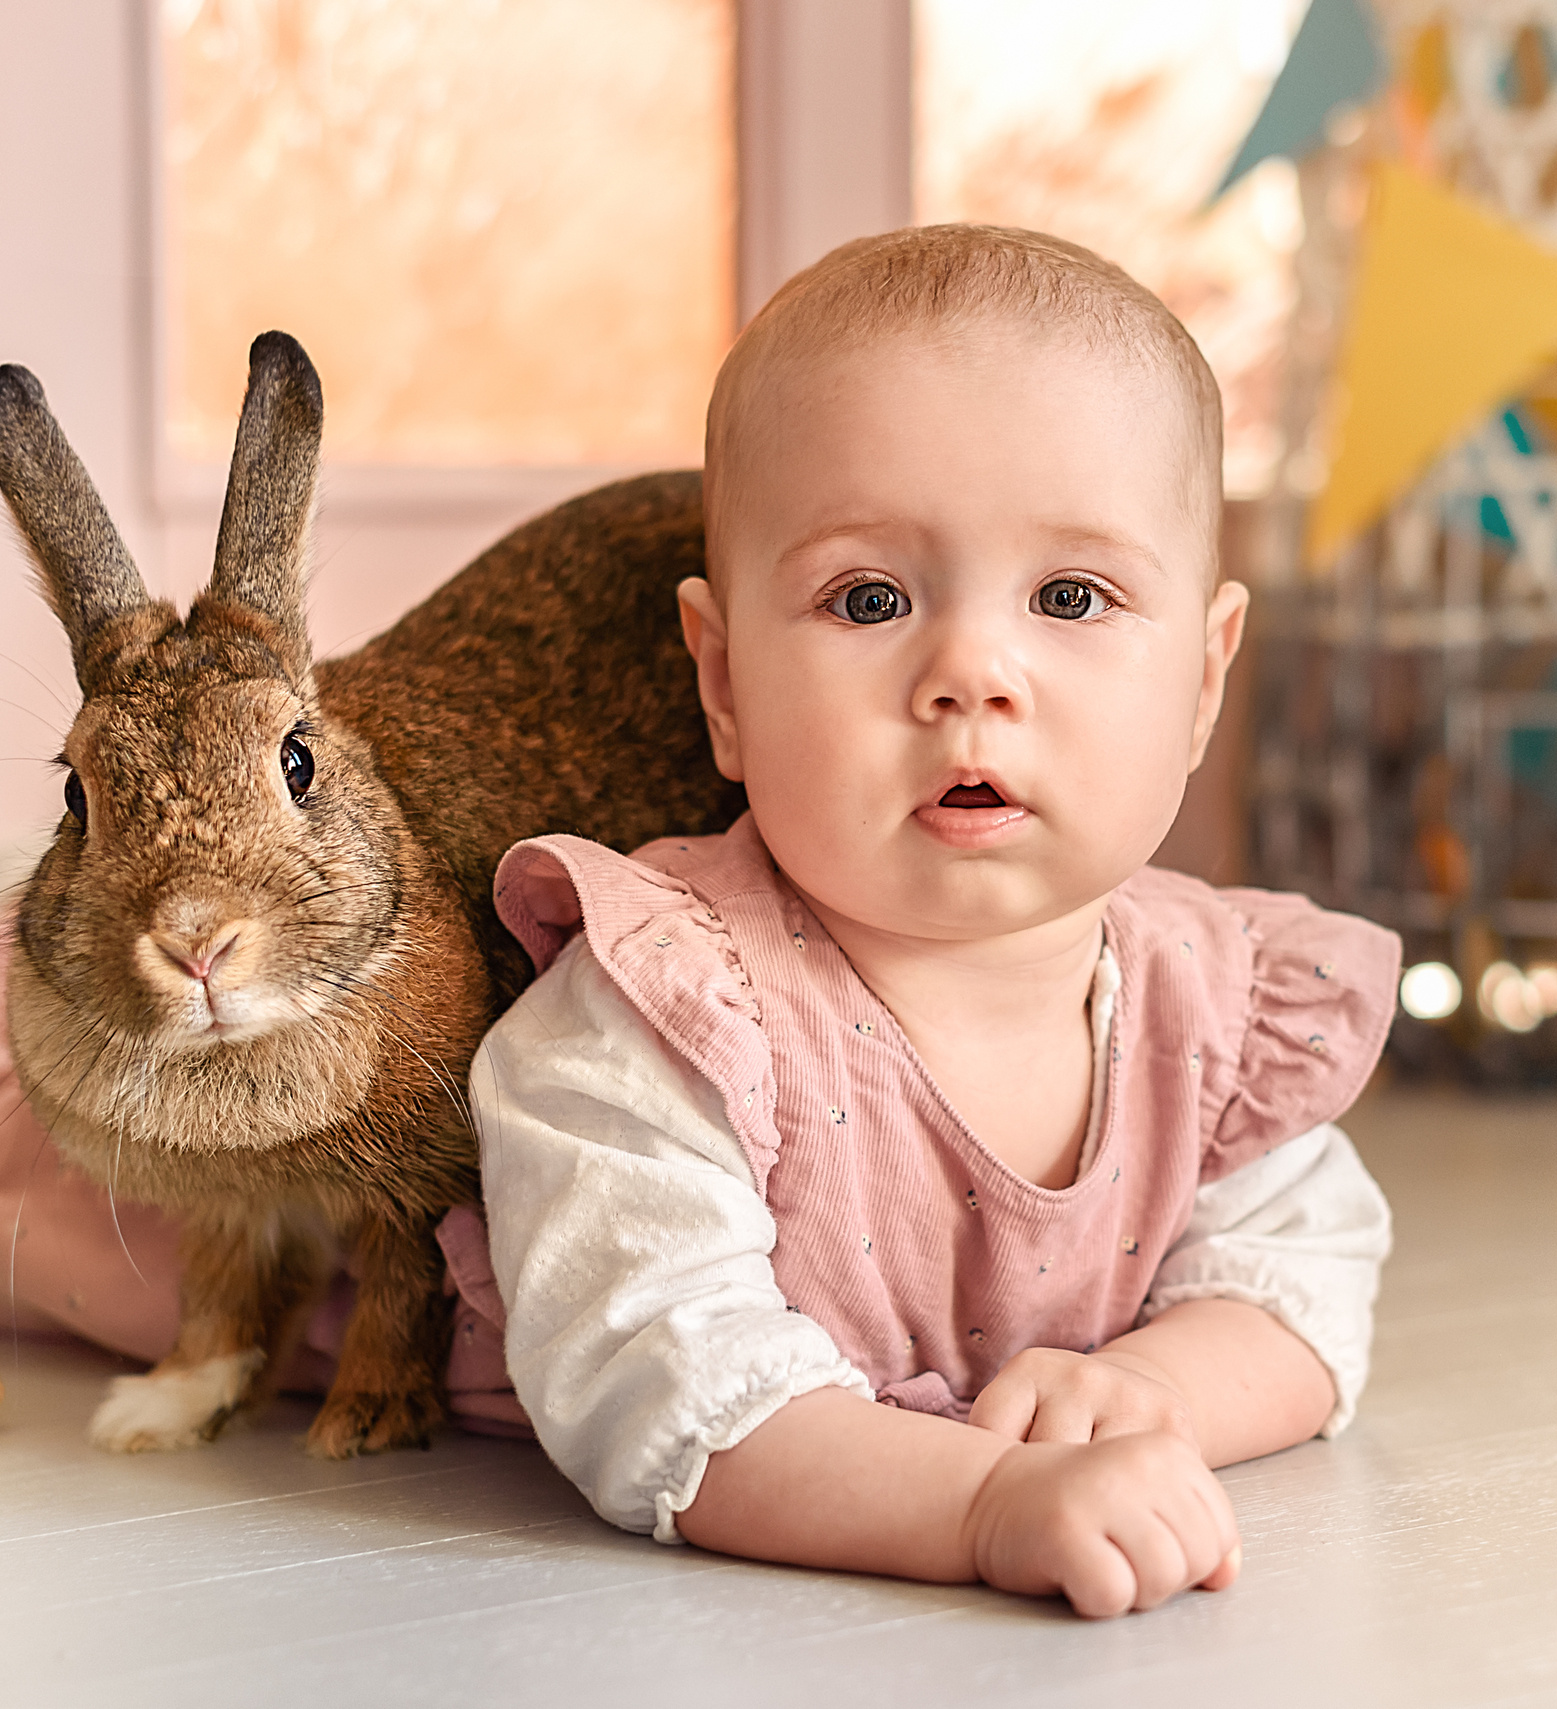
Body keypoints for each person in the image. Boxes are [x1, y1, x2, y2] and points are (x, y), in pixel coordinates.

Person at [469, 224, 1400, 1620]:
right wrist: (980, 1503)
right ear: (723, 680)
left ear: (1206, 678)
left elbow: (1306, 1288)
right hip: (335, 1294)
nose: (971, 671)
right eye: (870, 598)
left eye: (1071, 596)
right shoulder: (669, 1005)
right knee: (108, 1229)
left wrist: (1146, 1395)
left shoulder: (1210, 998)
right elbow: (667, 1390)